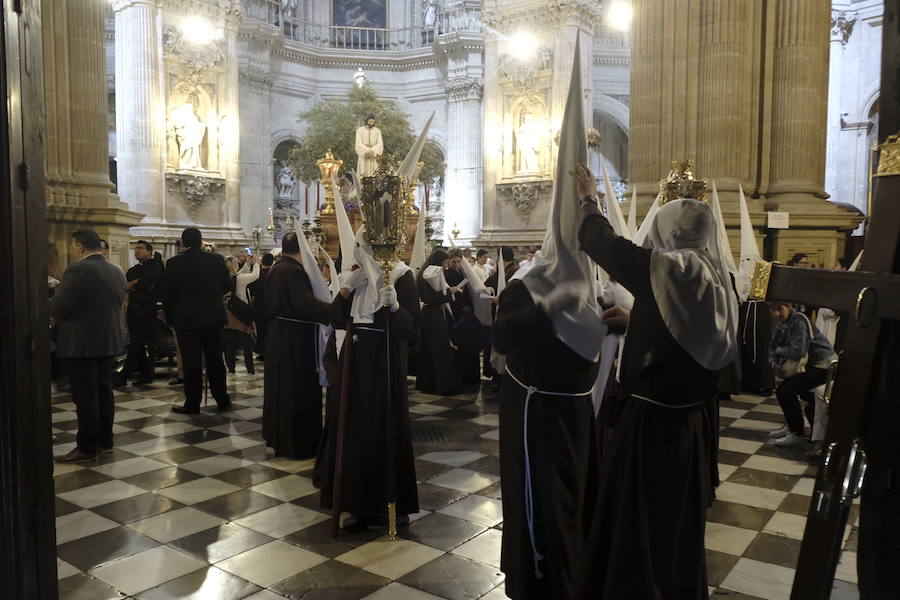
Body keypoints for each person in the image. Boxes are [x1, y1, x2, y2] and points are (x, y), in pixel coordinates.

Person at [576, 161, 739, 599]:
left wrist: (587, 199)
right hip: (691, 420)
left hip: (653, 424)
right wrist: (637, 320)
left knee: (641, 516)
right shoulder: (715, 274)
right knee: (677, 519)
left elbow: (601, 242)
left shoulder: (669, 268)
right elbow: (684, 330)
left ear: (668, 232)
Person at [316, 228, 421, 529]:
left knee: (382, 427)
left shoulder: (401, 277)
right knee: (352, 430)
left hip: (383, 363)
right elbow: (336, 317)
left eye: (366, 247)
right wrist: (346, 289)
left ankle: (390, 502)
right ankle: (355, 501)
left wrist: (397, 307)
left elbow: (411, 331)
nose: (360, 253)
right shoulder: (356, 275)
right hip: (355, 362)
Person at [52, 230, 127, 463]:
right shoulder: (117, 270)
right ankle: (105, 442)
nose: (74, 251)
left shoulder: (79, 269)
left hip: (82, 343)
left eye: (75, 246)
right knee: (104, 392)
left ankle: (86, 448)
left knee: (85, 396)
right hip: (108, 340)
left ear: (81, 246)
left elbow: (58, 308)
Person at [261, 232, 332, 458]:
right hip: (294, 339)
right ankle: (298, 443)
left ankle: (279, 438)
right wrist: (333, 309)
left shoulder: (277, 268)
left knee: (280, 388)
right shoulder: (294, 271)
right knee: (297, 388)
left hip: (279, 334)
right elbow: (304, 306)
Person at [162, 228, 233, 413]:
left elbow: (167, 295)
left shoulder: (173, 263)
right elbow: (227, 286)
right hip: (213, 318)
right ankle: (223, 400)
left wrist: (170, 320)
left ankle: (192, 403)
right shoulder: (216, 260)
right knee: (216, 360)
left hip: (187, 321)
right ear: (201, 242)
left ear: (183, 243)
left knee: (191, 363)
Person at [767, 300, 838, 448]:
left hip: (824, 366)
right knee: (787, 390)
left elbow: (796, 351)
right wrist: (774, 363)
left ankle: (797, 433)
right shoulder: (782, 323)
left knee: (786, 390)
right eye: (772, 309)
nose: (776, 313)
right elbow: (772, 346)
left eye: (779, 308)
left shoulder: (798, 320)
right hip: (811, 365)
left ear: (790, 306)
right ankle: (793, 426)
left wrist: (780, 351)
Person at [116, 240, 163, 386]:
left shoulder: (155, 266)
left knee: (136, 342)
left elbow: (147, 283)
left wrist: (136, 284)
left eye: (141, 248)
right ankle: (146, 374)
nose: (137, 251)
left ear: (149, 251)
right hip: (133, 308)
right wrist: (134, 284)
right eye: (136, 248)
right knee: (138, 342)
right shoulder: (134, 268)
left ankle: (123, 376)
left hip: (146, 309)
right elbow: (125, 283)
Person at [416, 248, 462, 395]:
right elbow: (432, 297)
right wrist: (450, 292)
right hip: (433, 314)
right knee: (439, 349)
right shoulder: (433, 272)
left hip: (431, 314)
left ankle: (429, 383)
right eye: (445, 262)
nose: (446, 266)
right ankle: (442, 384)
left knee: (431, 349)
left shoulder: (426, 272)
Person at [445, 249, 481, 387]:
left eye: (458, 261)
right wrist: (462, 306)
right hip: (456, 314)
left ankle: (470, 377)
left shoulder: (463, 272)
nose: (456, 264)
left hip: (466, 313)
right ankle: (462, 377)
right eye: (453, 262)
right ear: (448, 261)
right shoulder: (447, 274)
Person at [247, 252, 275, 360]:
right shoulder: (274, 274)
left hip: (259, 306)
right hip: (270, 307)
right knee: (269, 331)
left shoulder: (258, 274)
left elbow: (251, 289)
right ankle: (269, 351)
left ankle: (261, 352)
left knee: (261, 330)